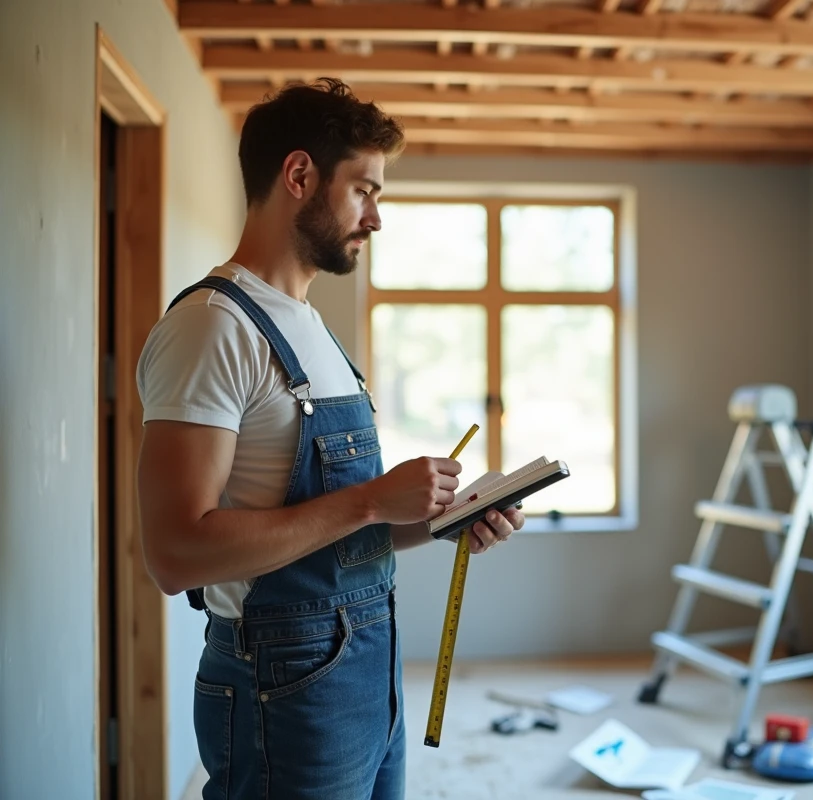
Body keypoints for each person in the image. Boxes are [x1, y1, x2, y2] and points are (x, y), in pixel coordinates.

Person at [135, 78, 523, 800]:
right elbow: (174, 553)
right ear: (300, 175)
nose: (376, 217)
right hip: (283, 688)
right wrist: (374, 502)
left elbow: (339, 537)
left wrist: (442, 520)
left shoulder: (311, 330)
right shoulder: (213, 326)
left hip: (367, 669)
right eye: (364, 190)